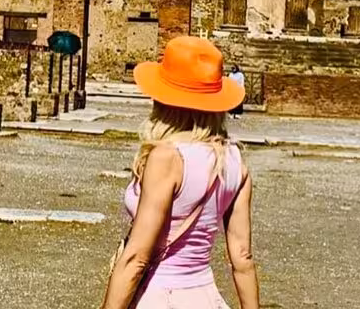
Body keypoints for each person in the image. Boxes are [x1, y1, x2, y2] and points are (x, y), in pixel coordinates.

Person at [101, 36, 259, 309]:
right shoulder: (234, 161)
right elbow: (242, 257)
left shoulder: (168, 158)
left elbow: (137, 257)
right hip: (205, 296)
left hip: (160, 296)